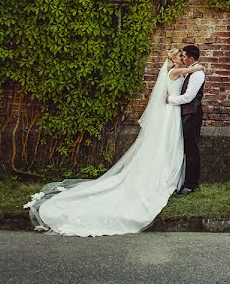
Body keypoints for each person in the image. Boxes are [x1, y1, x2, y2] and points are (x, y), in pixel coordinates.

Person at [25, 48, 203, 236]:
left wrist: (192, 72)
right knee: (166, 144)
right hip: (171, 112)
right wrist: (198, 67)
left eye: (184, 56)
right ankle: (164, 175)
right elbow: (188, 72)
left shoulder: (175, 70)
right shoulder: (175, 71)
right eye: (179, 56)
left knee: (171, 145)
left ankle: (171, 175)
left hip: (173, 112)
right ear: (175, 59)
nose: (182, 58)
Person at [167, 44, 205, 196]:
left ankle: (190, 184)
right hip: (186, 115)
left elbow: (189, 97)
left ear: (190, 58)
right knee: (187, 149)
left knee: (192, 150)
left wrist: (170, 100)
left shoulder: (197, 74)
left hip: (192, 116)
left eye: (184, 56)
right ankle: (184, 181)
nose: (182, 58)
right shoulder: (189, 72)